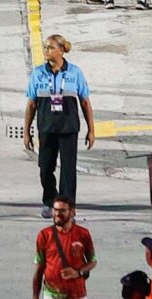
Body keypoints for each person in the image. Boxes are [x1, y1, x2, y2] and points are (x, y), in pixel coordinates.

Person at [20, 35, 90, 215]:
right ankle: (50, 200)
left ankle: (67, 207)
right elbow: (31, 104)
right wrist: (26, 132)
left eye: (50, 47)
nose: (46, 50)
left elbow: (85, 103)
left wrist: (92, 129)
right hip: (46, 129)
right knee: (45, 168)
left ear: (61, 50)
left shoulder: (75, 73)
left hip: (68, 129)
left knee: (68, 171)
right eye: (45, 47)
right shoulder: (38, 74)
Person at [30, 199, 94, 299]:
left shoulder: (83, 234)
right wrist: (35, 296)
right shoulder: (44, 235)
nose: (57, 213)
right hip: (51, 294)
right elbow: (39, 269)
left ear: (72, 212)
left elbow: (92, 261)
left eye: (62, 210)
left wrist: (77, 272)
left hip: (77, 294)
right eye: (55, 210)